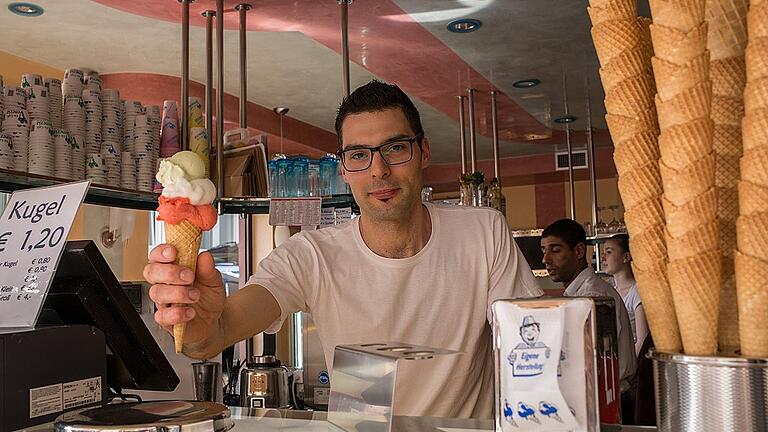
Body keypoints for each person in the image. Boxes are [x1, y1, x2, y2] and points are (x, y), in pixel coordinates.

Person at [144, 80, 543, 419]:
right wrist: (198, 324)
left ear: (423, 152)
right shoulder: (312, 255)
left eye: (395, 148)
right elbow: (219, 331)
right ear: (344, 168)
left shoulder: (482, 232)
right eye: (359, 155)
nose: (378, 170)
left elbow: (530, 348)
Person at [539, 218, 637, 422]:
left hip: (606, 403)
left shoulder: (591, 297)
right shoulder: (577, 295)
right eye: (543, 251)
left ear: (579, 251)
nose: (546, 259)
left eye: (555, 250)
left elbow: (589, 366)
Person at [602, 234, 648, 356]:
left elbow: (641, 340)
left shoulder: (637, 291)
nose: (603, 258)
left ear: (626, 257)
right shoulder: (607, 288)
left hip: (630, 361)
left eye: (609, 252)